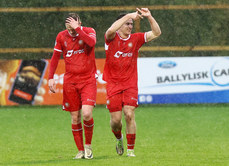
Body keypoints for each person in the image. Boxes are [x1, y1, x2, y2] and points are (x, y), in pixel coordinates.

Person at [103, 8, 161, 157]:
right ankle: (119, 138)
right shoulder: (110, 38)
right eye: (127, 23)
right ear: (120, 24)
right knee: (116, 121)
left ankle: (130, 151)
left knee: (129, 114)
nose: (130, 26)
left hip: (130, 84)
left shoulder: (135, 39)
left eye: (131, 24)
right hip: (113, 84)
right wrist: (129, 15)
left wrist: (150, 17)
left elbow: (156, 33)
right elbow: (110, 29)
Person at [48, 13, 97, 159]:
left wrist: (78, 29)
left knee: (87, 113)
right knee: (75, 117)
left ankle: (88, 146)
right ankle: (81, 150)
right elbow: (55, 57)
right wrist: (50, 77)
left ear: (79, 22)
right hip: (70, 82)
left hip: (88, 80)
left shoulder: (89, 31)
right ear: (65, 26)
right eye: (69, 27)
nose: (72, 30)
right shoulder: (61, 36)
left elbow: (91, 43)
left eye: (74, 26)